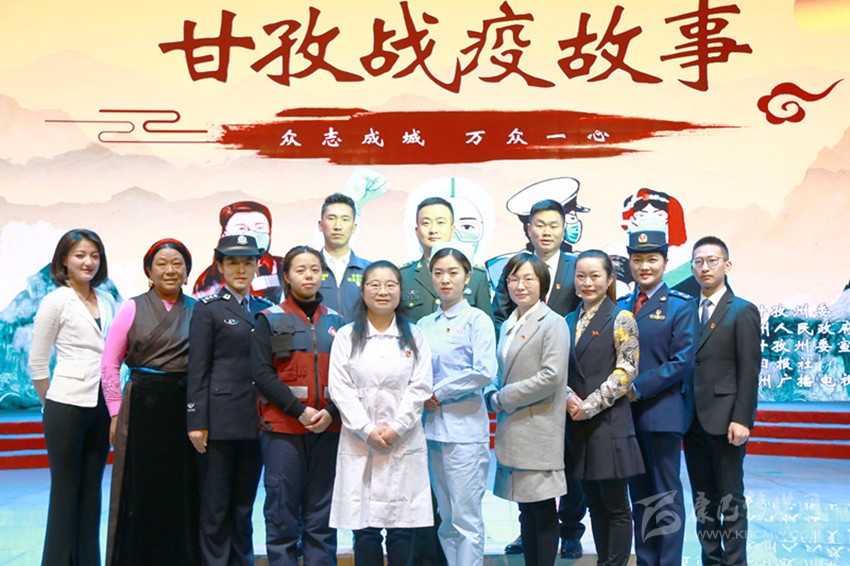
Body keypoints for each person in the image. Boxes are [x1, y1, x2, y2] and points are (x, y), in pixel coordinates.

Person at [491, 197, 586, 559]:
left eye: (553, 225)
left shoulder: (576, 269)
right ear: (528, 229)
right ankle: (528, 536)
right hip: (521, 389)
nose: (546, 232)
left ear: (565, 228)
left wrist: (506, 394)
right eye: (539, 225)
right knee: (530, 495)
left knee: (565, 471)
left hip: (566, 383)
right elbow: (500, 315)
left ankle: (571, 531)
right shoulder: (514, 272)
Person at [328, 260, 433, 565]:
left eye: (390, 285)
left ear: (400, 290)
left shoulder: (415, 335)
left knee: (402, 529)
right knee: (365, 531)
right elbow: (340, 388)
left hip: (403, 441)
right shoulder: (347, 336)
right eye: (374, 285)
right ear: (362, 292)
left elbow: (420, 386)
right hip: (360, 443)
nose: (383, 291)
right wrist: (366, 429)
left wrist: (397, 427)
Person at [102, 238, 200, 566]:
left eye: (177, 263)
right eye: (162, 263)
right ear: (149, 271)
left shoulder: (198, 310)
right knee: (139, 487)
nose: (170, 270)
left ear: (187, 271)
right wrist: (115, 412)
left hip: (184, 409)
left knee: (183, 488)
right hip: (141, 409)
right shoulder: (132, 307)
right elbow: (109, 363)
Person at [252, 245, 345, 565]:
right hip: (283, 430)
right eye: (301, 270)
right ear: (287, 277)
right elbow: (261, 373)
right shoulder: (269, 318)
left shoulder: (338, 322)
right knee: (282, 514)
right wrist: (299, 411)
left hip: (328, 430)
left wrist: (331, 412)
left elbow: (350, 375)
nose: (309, 276)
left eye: (315, 269)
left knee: (323, 516)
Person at [29, 229, 115, 566]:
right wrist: (49, 404)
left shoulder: (107, 300)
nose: (88, 262)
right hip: (65, 405)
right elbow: (38, 363)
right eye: (80, 255)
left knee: (92, 492)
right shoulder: (55, 301)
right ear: (64, 259)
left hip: (100, 405)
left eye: (94, 255)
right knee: (65, 493)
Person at [187, 234, 272, 566]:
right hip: (219, 422)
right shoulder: (207, 308)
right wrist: (197, 421)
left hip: (256, 419)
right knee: (216, 507)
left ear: (256, 267)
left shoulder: (266, 309)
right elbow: (198, 369)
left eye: (248, 262)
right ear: (220, 267)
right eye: (233, 262)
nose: (241, 269)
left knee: (244, 506)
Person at [618, 230, 697, 566]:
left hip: (662, 414)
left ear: (665, 262)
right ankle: (647, 560)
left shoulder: (680, 306)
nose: (644, 266)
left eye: (652, 259)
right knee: (639, 495)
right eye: (637, 260)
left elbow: (683, 360)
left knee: (665, 495)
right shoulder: (621, 306)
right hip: (626, 417)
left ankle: (668, 562)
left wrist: (637, 387)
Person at [487, 253, 570, 566]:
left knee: (542, 508)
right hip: (514, 428)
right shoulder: (509, 323)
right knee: (526, 508)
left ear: (542, 283)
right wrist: (492, 391)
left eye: (528, 279)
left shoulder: (553, 323)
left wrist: (504, 396)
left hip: (538, 427)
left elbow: (552, 376)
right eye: (513, 279)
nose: (520, 285)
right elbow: (502, 369)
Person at [418, 243, 497, 566]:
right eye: (438, 273)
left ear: (467, 277)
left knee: (466, 519)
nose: (445, 280)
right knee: (446, 517)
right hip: (432, 432)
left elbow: (484, 371)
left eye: (453, 272)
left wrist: (438, 391)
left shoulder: (477, 319)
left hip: (465, 433)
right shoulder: (425, 324)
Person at [683, 236, 760, 566]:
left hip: (727, 421)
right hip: (691, 421)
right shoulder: (686, 310)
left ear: (726, 265)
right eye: (698, 262)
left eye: (712, 261)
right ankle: (711, 561)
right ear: (692, 268)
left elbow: (749, 370)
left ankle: (736, 562)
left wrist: (742, 419)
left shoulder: (742, 310)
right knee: (704, 501)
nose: (705, 267)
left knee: (730, 500)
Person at [565, 249, 644, 566]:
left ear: (609, 279)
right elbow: (557, 369)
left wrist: (590, 404)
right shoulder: (568, 320)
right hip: (577, 424)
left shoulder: (621, 318)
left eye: (595, 276)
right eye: (581, 276)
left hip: (609, 423)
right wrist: (567, 396)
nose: (587, 282)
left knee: (616, 506)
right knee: (594, 504)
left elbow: (627, 370)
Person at [400, 196, 493, 322]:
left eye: (440, 223)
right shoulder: (402, 276)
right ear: (417, 231)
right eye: (426, 223)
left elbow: (487, 325)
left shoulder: (476, 276)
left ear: (452, 229)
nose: (433, 230)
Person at [193, 200, 286, 302]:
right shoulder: (210, 279)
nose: (252, 234)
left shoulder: (284, 267)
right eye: (241, 228)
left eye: (259, 227)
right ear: (224, 234)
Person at [318, 193, 370, 319]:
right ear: (320, 225)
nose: (338, 226)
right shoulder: (307, 270)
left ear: (354, 227)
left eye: (345, 219)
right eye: (331, 218)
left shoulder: (369, 270)